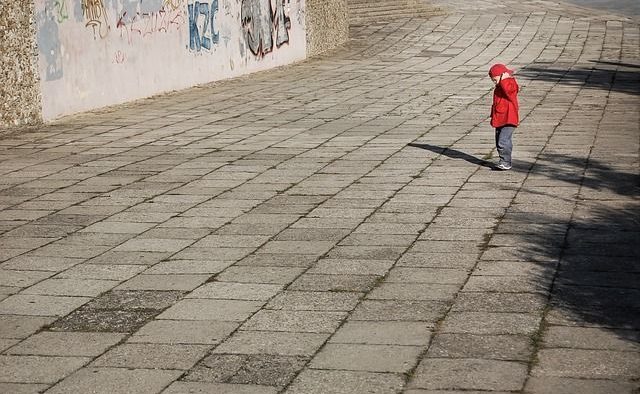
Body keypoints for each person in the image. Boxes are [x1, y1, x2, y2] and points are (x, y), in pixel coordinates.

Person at [488, 63, 520, 170]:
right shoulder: (499, 87)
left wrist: (505, 78)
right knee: (499, 141)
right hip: (500, 118)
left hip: (509, 119)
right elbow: (497, 103)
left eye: (495, 79)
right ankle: (505, 160)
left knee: (503, 141)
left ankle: (505, 162)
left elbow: (509, 91)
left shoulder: (510, 84)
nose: (494, 82)